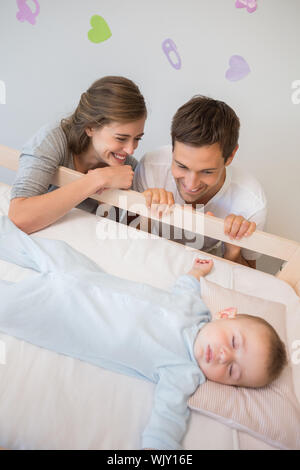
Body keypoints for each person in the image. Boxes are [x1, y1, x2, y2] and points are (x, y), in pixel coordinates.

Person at [0, 216, 286, 450]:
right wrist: (196, 273)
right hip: (83, 275)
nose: (224, 356)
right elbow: (184, 287)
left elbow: (167, 420)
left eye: (233, 371)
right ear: (225, 315)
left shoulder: (183, 373)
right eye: (234, 342)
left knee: (7, 305)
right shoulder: (196, 311)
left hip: (60, 313)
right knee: (45, 247)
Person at [133, 96, 267, 268]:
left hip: (205, 262)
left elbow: (249, 275)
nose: (191, 184)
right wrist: (145, 212)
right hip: (153, 254)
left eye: (207, 171)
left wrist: (232, 251)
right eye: (181, 166)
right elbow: (128, 243)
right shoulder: (150, 166)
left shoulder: (251, 203)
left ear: (231, 156)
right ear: (172, 149)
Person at [8, 76, 147, 234]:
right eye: (121, 138)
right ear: (90, 128)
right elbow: (18, 218)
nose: (131, 150)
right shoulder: (53, 140)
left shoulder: (127, 169)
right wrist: (98, 179)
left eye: (137, 138)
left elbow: (133, 229)